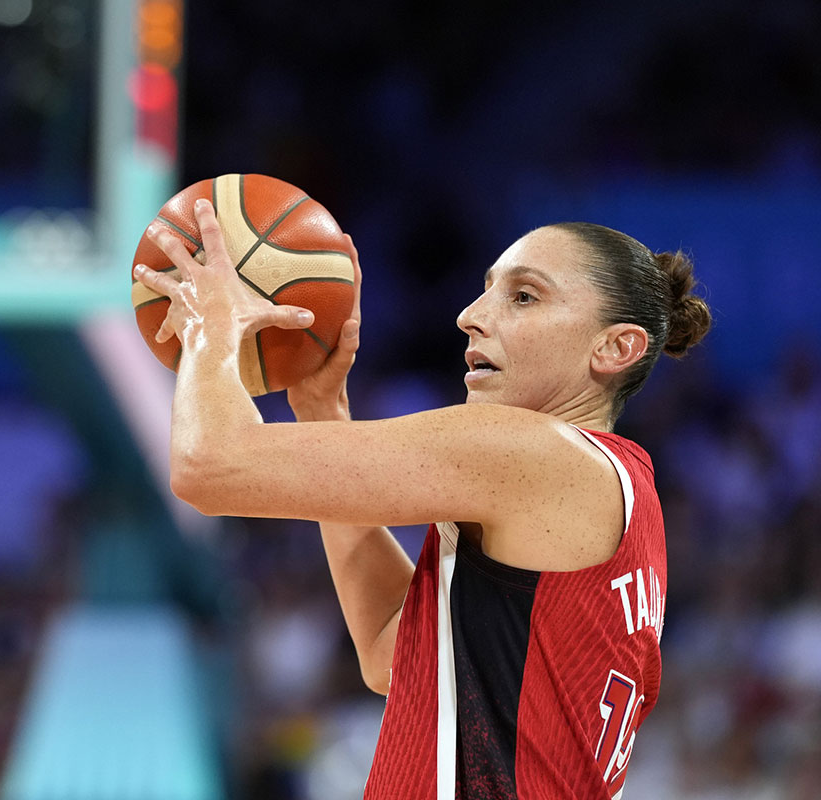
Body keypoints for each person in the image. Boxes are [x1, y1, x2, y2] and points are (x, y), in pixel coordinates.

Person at [132, 198, 712, 799]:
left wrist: (210, 328)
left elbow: (208, 466)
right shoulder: (614, 489)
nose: (469, 315)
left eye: (523, 297)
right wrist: (321, 409)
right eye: (484, 290)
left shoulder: (525, 451)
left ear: (616, 349)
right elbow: (395, 653)